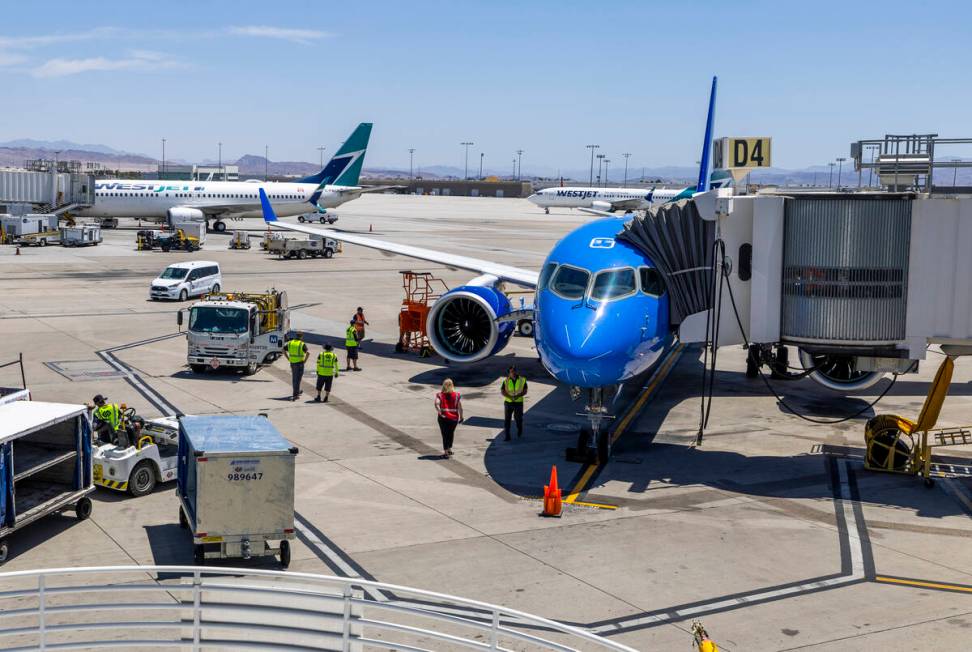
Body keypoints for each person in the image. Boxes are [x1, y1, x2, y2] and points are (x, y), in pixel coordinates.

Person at [434, 378, 463, 457]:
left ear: (443, 385)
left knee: (445, 434)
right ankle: (449, 449)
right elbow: (460, 407)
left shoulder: (440, 395)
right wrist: (461, 417)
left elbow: (436, 403)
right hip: (454, 419)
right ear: (452, 385)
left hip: (443, 418)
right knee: (450, 433)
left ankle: (446, 452)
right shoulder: (457, 395)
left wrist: (440, 412)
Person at [501, 366, 528, 441]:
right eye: (511, 372)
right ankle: (507, 436)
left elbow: (525, 391)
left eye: (514, 371)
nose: (512, 373)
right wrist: (510, 397)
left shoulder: (522, 380)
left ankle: (520, 428)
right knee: (507, 420)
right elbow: (502, 391)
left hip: (518, 403)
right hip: (508, 403)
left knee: (518, 419)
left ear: (516, 372)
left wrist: (518, 396)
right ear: (509, 373)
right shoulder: (505, 381)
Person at [285, 331, 309, 401]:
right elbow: (308, 353)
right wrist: (305, 361)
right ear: (301, 336)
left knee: (295, 378)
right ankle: (295, 394)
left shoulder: (290, 343)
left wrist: (288, 358)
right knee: (298, 379)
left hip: (292, 363)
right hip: (299, 363)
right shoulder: (302, 344)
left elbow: (283, 350)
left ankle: (297, 391)